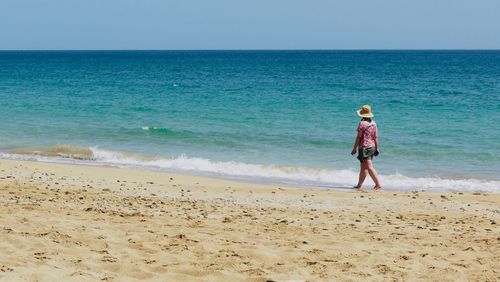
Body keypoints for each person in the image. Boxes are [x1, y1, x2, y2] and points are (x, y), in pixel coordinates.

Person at [351, 105, 382, 191]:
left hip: (364, 148)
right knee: (363, 167)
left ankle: (378, 184)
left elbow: (358, 137)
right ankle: (359, 185)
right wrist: (376, 147)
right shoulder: (374, 123)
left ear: (362, 115)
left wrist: (354, 148)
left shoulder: (362, 124)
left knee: (369, 166)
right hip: (372, 147)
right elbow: (376, 137)